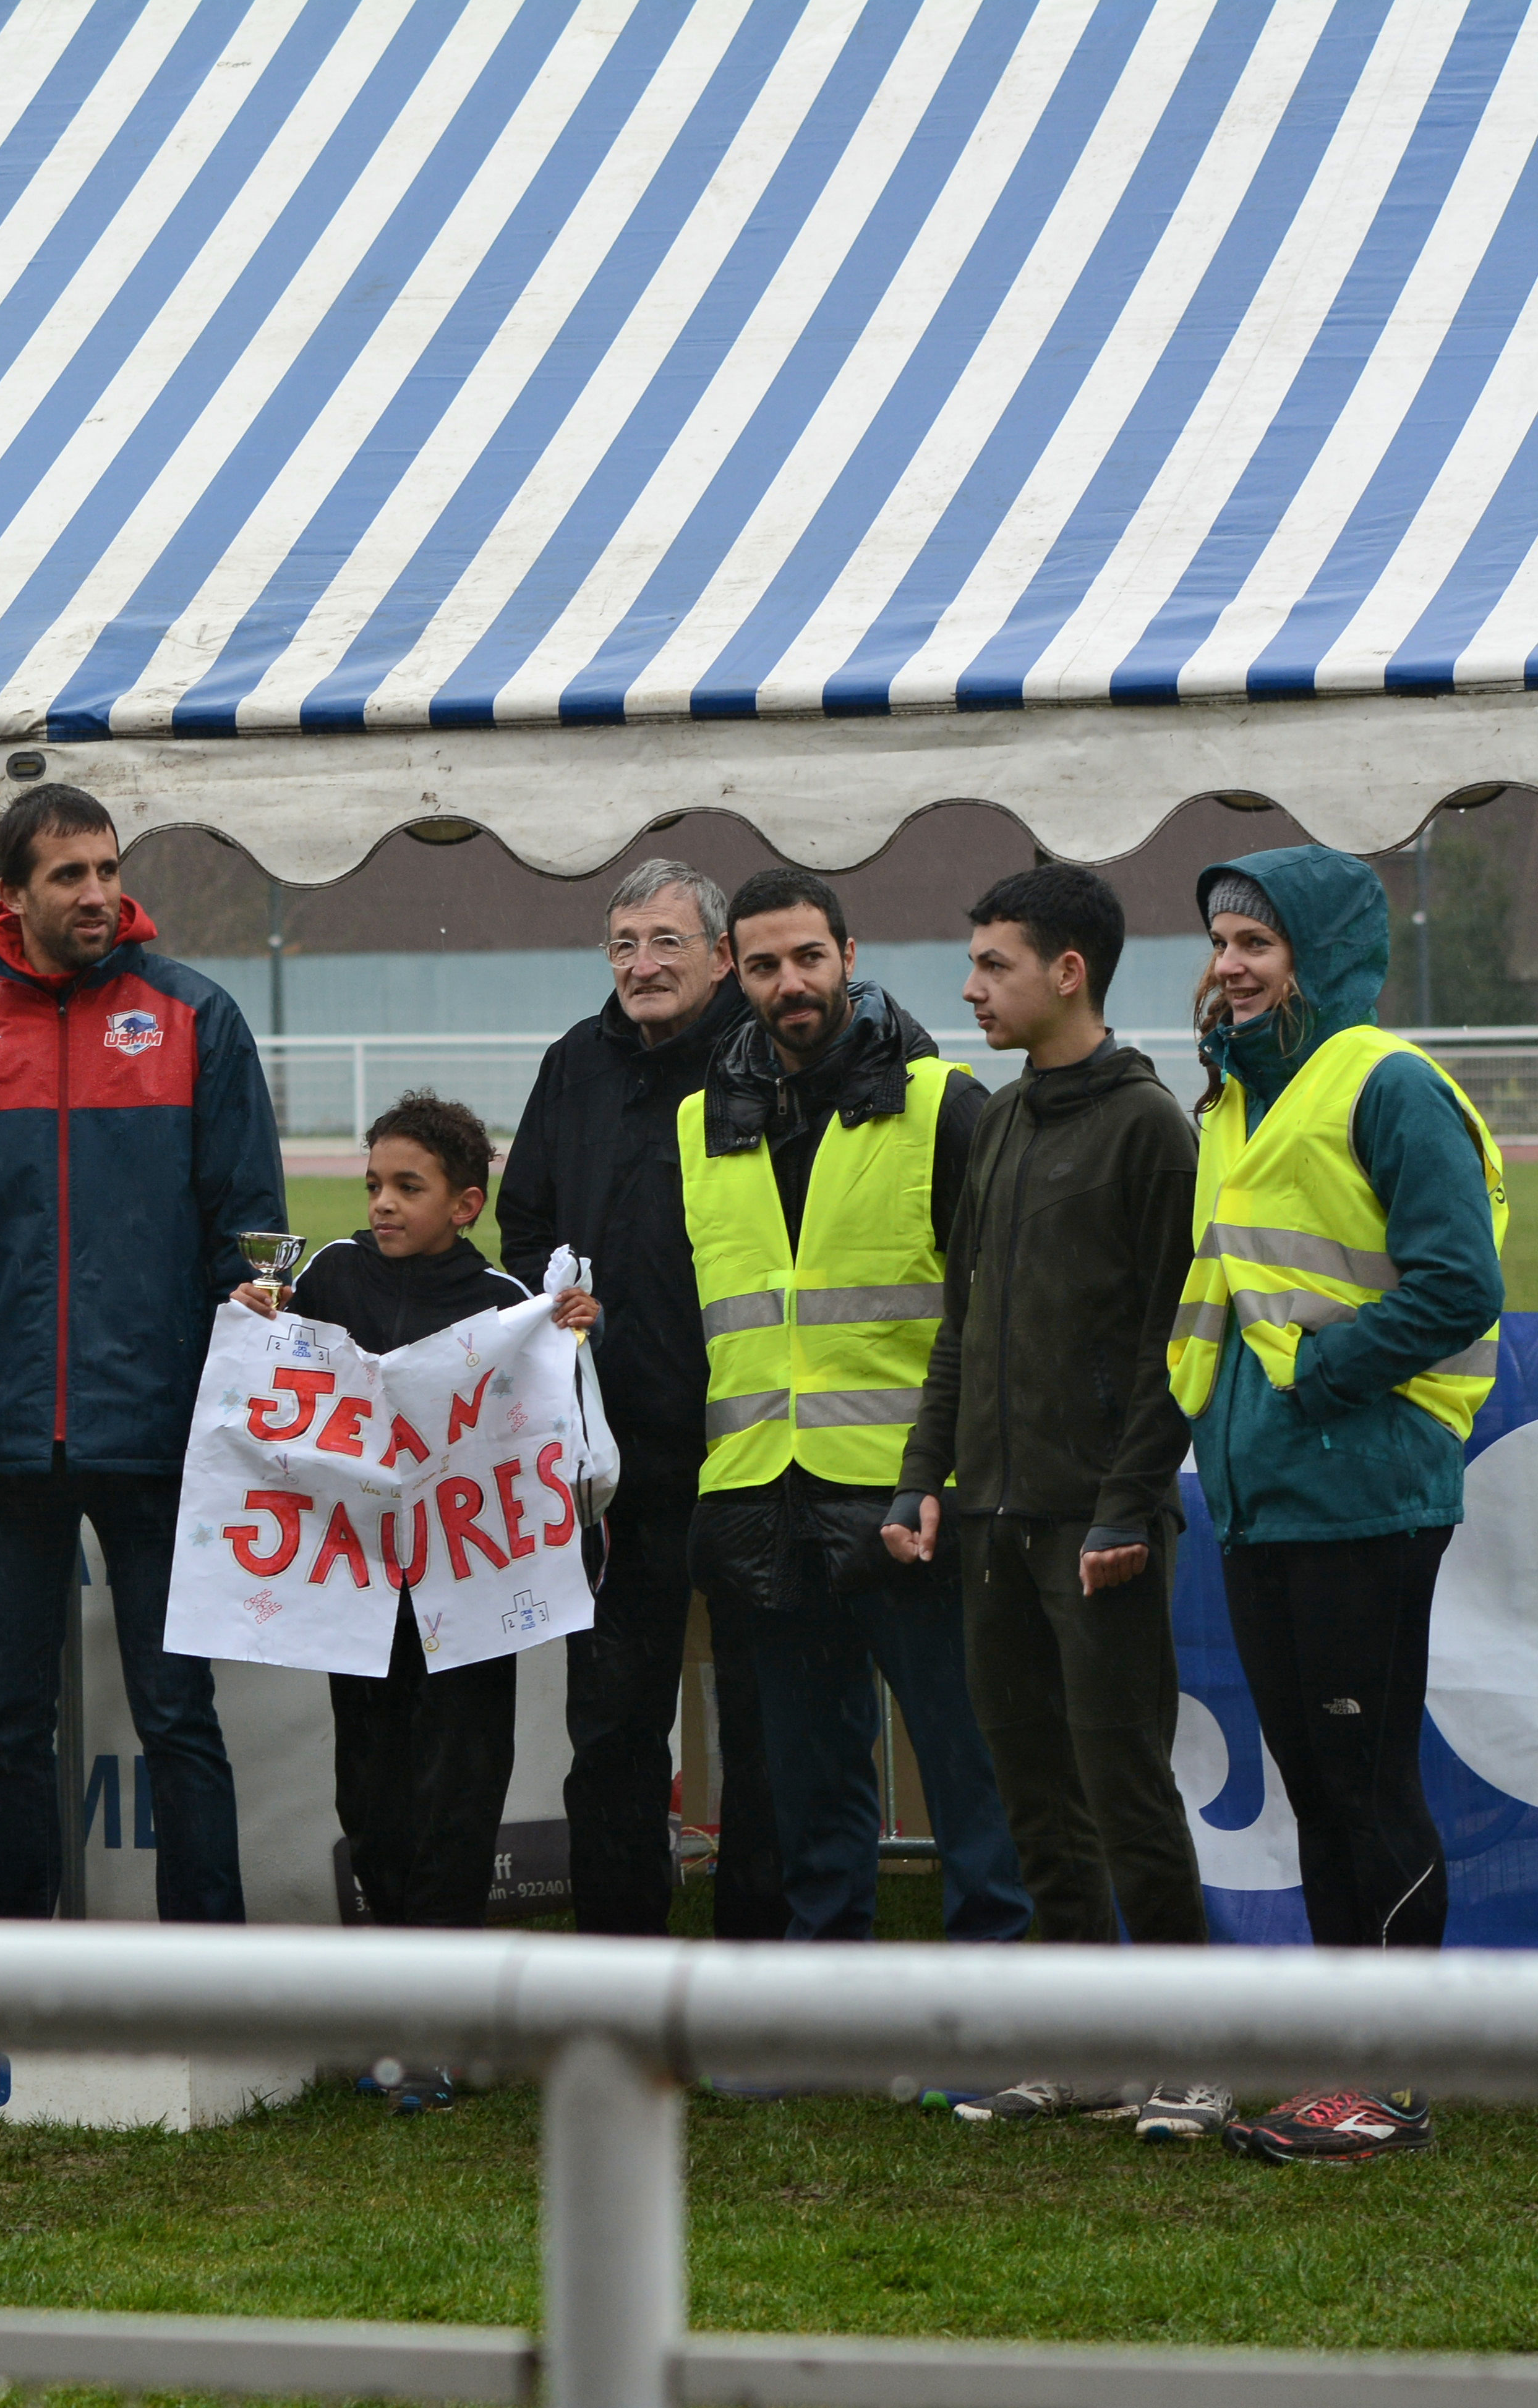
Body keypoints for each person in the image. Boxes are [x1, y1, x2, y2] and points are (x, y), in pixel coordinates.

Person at [0, 784, 281, 1924]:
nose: (98, 893)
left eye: (108, 868)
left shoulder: (196, 1017)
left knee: (178, 1718)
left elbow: (252, 1236)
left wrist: (241, 1414)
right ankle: (20, 1973)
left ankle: (212, 1974)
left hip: (162, 1432)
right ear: (11, 894)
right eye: (69, 875)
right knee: (8, 1728)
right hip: (1, 1436)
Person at [1173, 849, 1504, 2164]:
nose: (1231, 964)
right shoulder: (1234, 1095)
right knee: (1318, 1789)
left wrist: (1316, 1378)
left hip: (1362, 1489)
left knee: (1367, 1790)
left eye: (1257, 941)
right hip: (1264, 1494)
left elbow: (1458, 1283)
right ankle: (1342, 2063)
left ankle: (1394, 2080)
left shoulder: (1388, 1082)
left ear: (1319, 953)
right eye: (1222, 941)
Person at [882, 865, 1221, 2138]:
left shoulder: (1151, 1128)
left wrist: (1129, 1507)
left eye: (995, 965)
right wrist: (924, 1477)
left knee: (1126, 1787)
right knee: (1034, 1793)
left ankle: (1193, 2059)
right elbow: (960, 1326)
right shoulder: (1003, 1121)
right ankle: (1083, 2057)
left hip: (1100, 1529)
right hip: (988, 1524)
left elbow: (1172, 1338)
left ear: (1068, 972)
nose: (970, 988)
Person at [681, 868, 1027, 1947]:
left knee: (967, 1761)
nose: (790, 983)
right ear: (733, 974)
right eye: (764, 965)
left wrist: (960, 1479)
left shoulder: (943, 1104)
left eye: (808, 958)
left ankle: (996, 1998)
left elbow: (1001, 1314)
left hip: (912, 1501)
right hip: (762, 1500)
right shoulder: (699, 1122)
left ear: (849, 956)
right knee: (808, 1784)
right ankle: (828, 2001)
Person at [257, 1094, 590, 2109]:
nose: (383, 1204)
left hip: (467, 1598)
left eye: (409, 1187)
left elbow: (547, 1419)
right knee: (370, 1795)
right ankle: (397, 2010)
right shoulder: (327, 1276)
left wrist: (569, 1335)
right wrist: (255, 1321)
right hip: (358, 1589)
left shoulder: (501, 1300)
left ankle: (441, 2025)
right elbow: (272, 1387)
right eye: (373, 1185)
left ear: (467, 1204)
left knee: (458, 1796)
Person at [497, 855, 788, 1943]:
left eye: (667, 941)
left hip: (753, 1452)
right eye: (624, 944)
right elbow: (525, 1223)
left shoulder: (771, 1061)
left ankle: (758, 1960)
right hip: (610, 1468)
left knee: (762, 1723)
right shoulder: (574, 1063)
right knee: (613, 1726)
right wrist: (559, 1313)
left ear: (722, 956)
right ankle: (619, 1962)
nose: (643, 964)